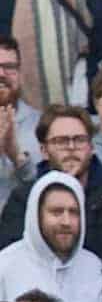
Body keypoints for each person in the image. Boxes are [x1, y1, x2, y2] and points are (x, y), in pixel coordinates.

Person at [0, 104, 102, 263]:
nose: (71, 147)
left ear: (91, 147)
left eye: (79, 140)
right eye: (61, 141)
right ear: (44, 150)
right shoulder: (23, 200)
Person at [0, 172, 102, 302]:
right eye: (56, 212)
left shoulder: (94, 267)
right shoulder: (5, 265)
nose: (66, 222)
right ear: (36, 215)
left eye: (73, 212)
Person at [0, 36, 43, 210]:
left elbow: (47, 190)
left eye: (9, 67)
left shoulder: (42, 125)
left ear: (19, 72)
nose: (1, 74)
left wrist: (17, 157)